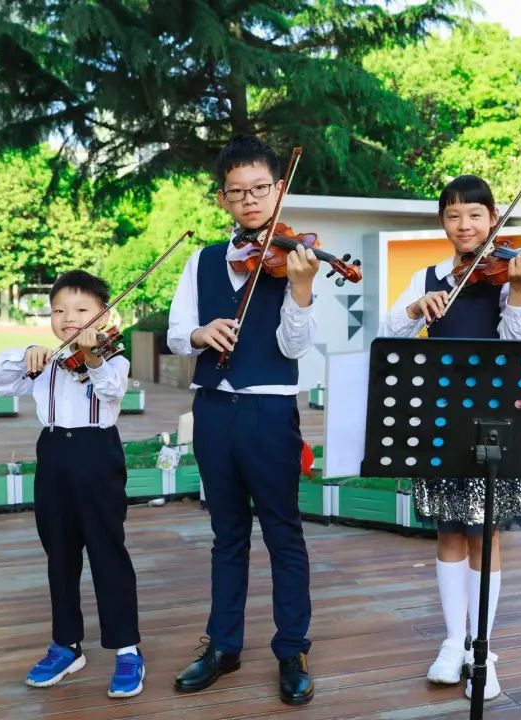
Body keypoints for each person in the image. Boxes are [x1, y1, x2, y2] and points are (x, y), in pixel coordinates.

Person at [167, 135, 320, 706]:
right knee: (226, 533)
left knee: (283, 532)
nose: (250, 200)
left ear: (279, 190)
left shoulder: (296, 259)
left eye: (260, 189)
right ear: (223, 199)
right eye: (237, 192)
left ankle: (292, 650)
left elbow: (294, 346)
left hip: (269, 409)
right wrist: (199, 333)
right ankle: (223, 646)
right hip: (213, 409)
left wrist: (300, 290)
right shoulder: (202, 260)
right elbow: (176, 332)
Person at [378, 174, 521, 701]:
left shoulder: (506, 277)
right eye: (453, 214)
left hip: (494, 420)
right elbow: (389, 333)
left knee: (485, 535)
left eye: (475, 214)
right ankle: (453, 642)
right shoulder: (428, 277)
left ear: (493, 218)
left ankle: (483, 650)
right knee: (449, 532)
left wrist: (519, 289)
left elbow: (520, 342)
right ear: (442, 222)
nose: (464, 224)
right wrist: (414, 309)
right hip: (442, 416)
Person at [0, 270, 144, 698]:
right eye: (59, 310)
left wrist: (92, 358)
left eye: (81, 309)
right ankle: (66, 644)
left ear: (104, 315)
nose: (68, 318)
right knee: (59, 554)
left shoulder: (112, 359)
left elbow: (110, 390)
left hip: (97, 455)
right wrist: (26, 354)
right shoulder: (46, 361)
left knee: (108, 552)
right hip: (54, 454)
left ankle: (127, 649)